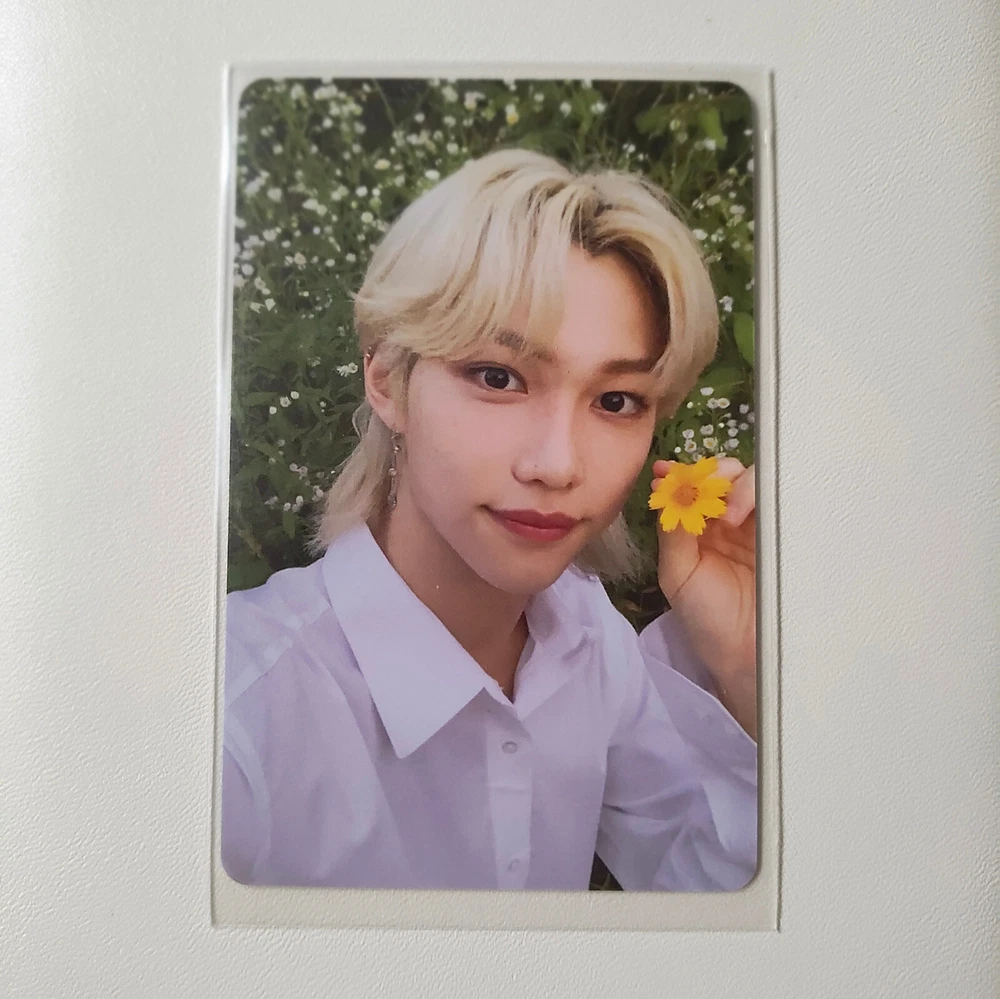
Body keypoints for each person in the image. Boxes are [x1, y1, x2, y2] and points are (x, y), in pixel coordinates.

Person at [221, 147, 758, 891]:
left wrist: (745, 664)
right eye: (498, 377)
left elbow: (714, 897)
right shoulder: (232, 726)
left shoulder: (587, 635)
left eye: (616, 401)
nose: (558, 464)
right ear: (387, 379)